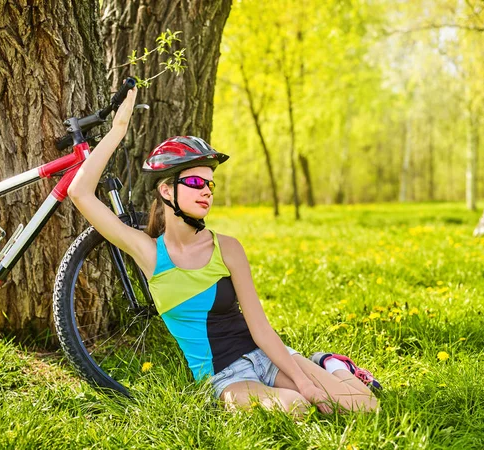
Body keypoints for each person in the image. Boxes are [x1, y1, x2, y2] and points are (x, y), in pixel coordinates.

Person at [67, 86, 380, 416]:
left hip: (267, 355)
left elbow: (260, 329)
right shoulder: (148, 253)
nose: (206, 192)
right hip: (227, 378)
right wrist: (118, 130)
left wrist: (305, 381)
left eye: (210, 184)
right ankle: (320, 373)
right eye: (195, 183)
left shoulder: (227, 248)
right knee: (297, 409)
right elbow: (80, 192)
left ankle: (331, 364)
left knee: (365, 408)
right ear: (166, 190)